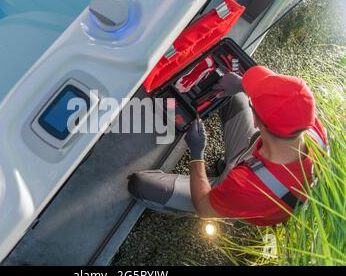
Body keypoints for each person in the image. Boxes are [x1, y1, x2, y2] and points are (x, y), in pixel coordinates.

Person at [128, 66, 327, 226]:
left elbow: (204, 208)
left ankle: (221, 212)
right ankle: (230, 161)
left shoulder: (251, 188)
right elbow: (279, 97)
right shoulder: (308, 125)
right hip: (252, 150)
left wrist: (197, 153)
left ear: (257, 121)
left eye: (253, 105)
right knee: (231, 92)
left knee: (140, 185)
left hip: (236, 196)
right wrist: (242, 85)